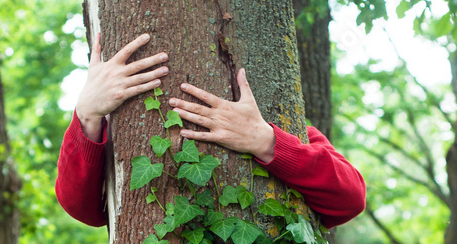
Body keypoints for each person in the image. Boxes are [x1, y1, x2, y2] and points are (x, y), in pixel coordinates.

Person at [55, 33, 366, 230]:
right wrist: (86, 115)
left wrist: (266, 141)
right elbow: (82, 208)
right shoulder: (113, 130)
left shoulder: (292, 131)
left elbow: (350, 198)